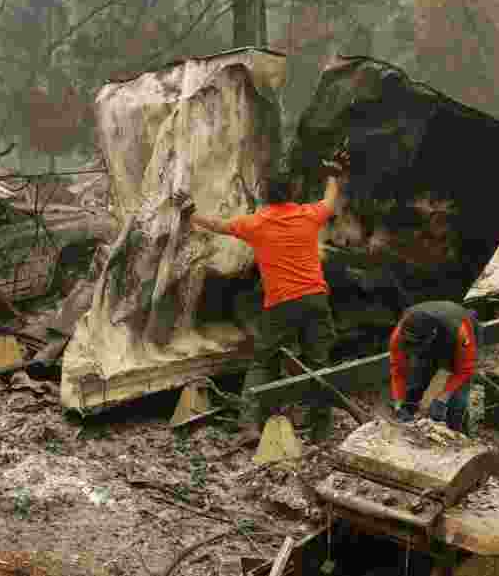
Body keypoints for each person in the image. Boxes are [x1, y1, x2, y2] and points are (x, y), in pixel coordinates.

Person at [172, 149, 349, 443]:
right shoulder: (308, 215)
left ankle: (249, 425)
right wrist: (332, 173)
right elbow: (329, 201)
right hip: (316, 300)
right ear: (293, 192)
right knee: (318, 365)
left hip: (281, 304)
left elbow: (218, 225)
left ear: (264, 195)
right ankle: (321, 430)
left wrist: (190, 210)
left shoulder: (256, 223)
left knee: (262, 362)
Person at [389, 300, 481, 433]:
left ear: (432, 335)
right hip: (431, 343)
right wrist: (398, 402)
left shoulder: (460, 331)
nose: (414, 351)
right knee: (415, 383)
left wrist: (442, 398)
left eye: (418, 347)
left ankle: (459, 433)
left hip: (461, 334)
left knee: (457, 399)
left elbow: (464, 370)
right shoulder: (398, 337)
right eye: (411, 347)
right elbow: (398, 372)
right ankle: (409, 423)